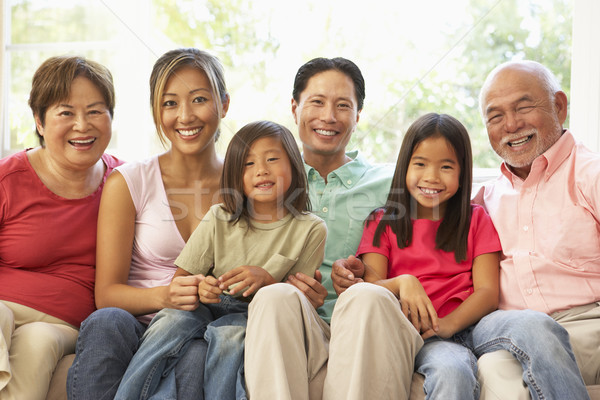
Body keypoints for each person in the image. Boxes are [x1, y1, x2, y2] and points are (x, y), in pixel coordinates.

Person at [244, 58, 421, 400]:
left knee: (365, 296)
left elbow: (438, 242)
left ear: (358, 116)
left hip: (370, 327)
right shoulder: (262, 179)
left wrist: (370, 276)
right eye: (317, 102)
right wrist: (279, 279)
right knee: (275, 296)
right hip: (301, 327)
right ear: (295, 108)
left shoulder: (393, 181)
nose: (329, 116)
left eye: (343, 106)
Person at [114, 120, 327, 400]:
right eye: (248, 164)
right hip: (208, 303)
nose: (261, 170)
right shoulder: (218, 216)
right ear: (235, 176)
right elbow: (183, 281)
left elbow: (293, 304)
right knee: (169, 322)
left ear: (294, 166)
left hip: (253, 316)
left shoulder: (310, 228)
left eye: (272, 159)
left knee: (228, 339)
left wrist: (267, 281)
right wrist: (202, 287)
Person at [67, 48, 230, 400]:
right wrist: (165, 297)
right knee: (105, 321)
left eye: (199, 99)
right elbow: (106, 294)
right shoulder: (129, 181)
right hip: (132, 322)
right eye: (170, 103)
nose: (185, 116)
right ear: (157, 111)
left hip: (197, 328)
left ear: (224, 105)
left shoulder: (245, 181)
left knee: (199, 352)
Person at [471, 60, 600, 399]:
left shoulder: (591, 175)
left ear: (559, 106)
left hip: (590, 324)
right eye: (495, 116)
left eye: (523, 107)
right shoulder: (484, 199)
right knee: (492, 369)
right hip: (513, 333)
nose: (511, 124)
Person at [355, 112, 501, 399]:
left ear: (462, 172)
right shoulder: (382, 222)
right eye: (420, 164)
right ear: (404, 167)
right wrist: (403, 282)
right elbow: (370, 289)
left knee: (535, 327)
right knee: (452, 370)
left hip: (474, 325)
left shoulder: (476, 218)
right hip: (422, 337)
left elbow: (488, 292)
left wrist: (448, 325)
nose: (431, 177)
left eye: (446, 167)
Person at [0, 55, 121, 400]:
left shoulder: (127, 183)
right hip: (3, 306)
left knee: (39, 341)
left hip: (65, 323)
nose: (82, 125)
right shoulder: (7, 179)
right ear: (39, 121)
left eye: (96, 111)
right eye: (65, 113)